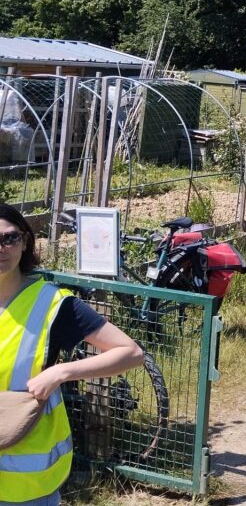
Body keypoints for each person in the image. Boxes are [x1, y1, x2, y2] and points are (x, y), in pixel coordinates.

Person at [0, 203, 145, 505]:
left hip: (23, 481)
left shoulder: (51, 304)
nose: (1, 248)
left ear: (25, 242)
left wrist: (61, 372)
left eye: (9, 238)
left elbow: (130, 352)